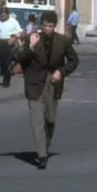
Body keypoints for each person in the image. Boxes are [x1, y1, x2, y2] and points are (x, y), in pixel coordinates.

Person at [14, 10, 79, 170]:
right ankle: (41, 155)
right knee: (37, 121)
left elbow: (74, 61)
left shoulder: (63, 41)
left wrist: (61, 72)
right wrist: (30, 46)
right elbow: (18, 56)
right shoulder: (33, 38)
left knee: (50, 120)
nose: (47, 29)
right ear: (41, 25)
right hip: (34, 83)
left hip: (53, 84)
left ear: (55, 26)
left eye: (50, 26)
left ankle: (45, 146)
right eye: (45, 26)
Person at [0, 8, 23, 88]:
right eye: (0, 14)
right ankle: (7, 73)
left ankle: (6, 81)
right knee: (0, 62)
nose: (1, 15)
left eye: (3, 13)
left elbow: (19, 32)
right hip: (0, 43)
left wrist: (13, 39)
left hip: (9, 43)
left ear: (7, 14)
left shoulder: (13, 22)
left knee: (7, 62)